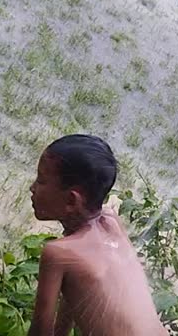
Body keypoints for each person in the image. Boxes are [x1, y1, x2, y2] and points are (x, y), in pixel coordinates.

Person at [28, 134, 167, 336]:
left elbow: (40, 333)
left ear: (70, 200)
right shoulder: (112, 223)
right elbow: (73, 293)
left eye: (40, 181)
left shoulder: (57, 254)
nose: (32, 188)